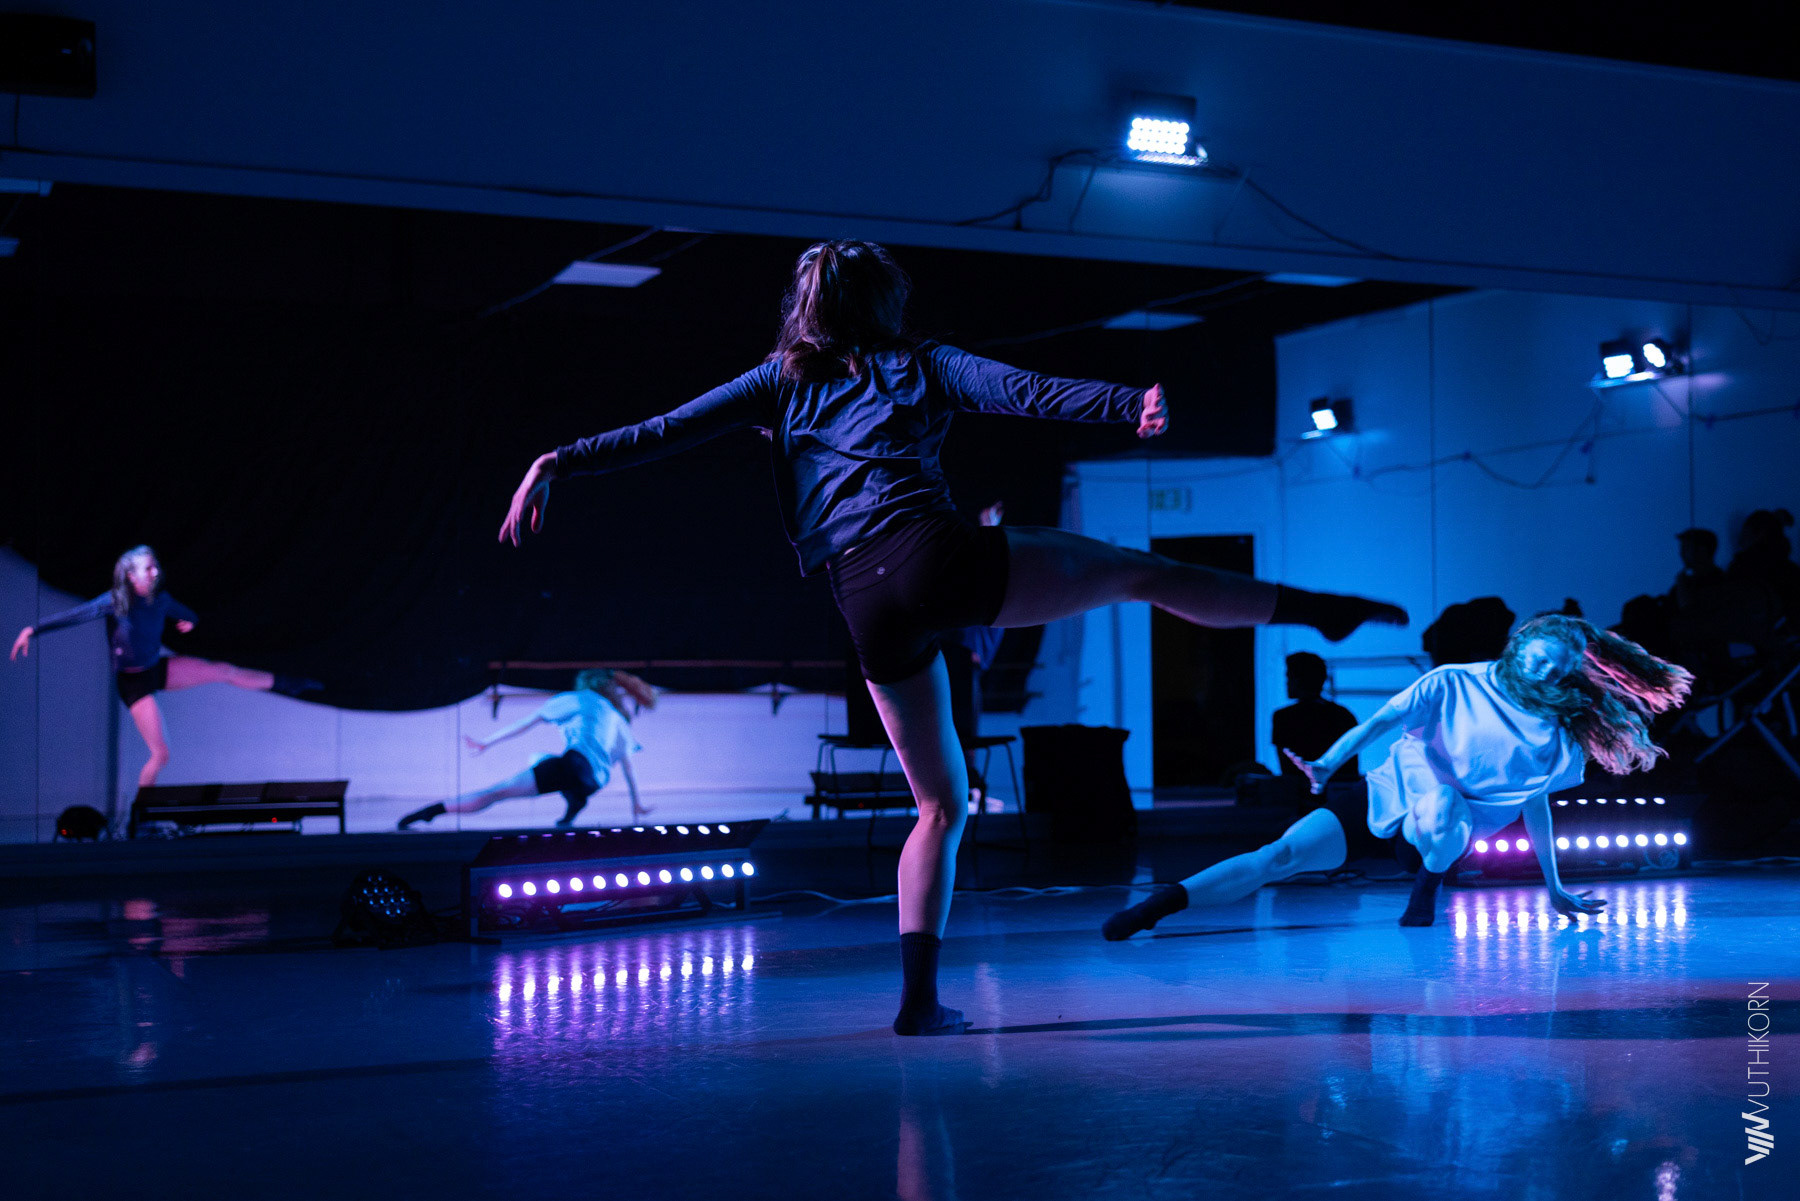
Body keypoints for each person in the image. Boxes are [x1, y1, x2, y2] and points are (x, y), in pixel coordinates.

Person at [497, 240, 1407, 1034]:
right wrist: (1124, 404)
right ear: (885, 302)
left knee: (938, 806)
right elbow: (1022, 391)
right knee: (1141, 572)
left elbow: (666, 429)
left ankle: (919, 1003)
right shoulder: (920, 360)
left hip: (861, 597)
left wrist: (557, 461)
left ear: (806, 310)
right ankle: (1311, 608)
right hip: (935, 556)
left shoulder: (780, 380)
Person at [1103, 614, 1692, 939]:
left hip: (1442, 832)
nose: (1542, 673)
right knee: (1278, 856)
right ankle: (1162, 903)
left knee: (1444, 802)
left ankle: (1426, 886)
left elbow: (1534, 804)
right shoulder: (1453, 681)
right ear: (1518, 646)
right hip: (1383, 799)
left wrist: (1553, 885)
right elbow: (1378, 724)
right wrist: (1327, 763)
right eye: (1537, 658)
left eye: (1556, 671)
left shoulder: (1556, 734)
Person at [9, 546, 320, 791]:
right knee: (161, 754)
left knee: (223, 670)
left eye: (155, 566)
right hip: (134, 684)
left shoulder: (161, 600)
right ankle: (142, 817)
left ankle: (286, 682)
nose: (155, 572)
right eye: (148, 568)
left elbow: (189, 614)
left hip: (156, 669)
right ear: (131, 575)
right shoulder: (115, 601)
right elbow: (77, 615)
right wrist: (31, 630)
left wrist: (190, 621)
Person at [398, 668, 654, 829]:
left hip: (573, 765)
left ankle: (431, 811)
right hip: (594, 782)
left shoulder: (578, 698)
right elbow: (628, 766)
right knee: (541, 760)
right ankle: (575, 801)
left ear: (584, 685)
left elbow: (526, 723)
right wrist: (637, 804)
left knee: (496, 792)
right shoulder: (619, 719)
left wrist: (487, 742)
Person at [1272, 651, 1358, 786]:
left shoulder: (1283, 717)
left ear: (1299, 680)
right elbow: (1350, 771)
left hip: (1299, 794)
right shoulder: (1344, 715)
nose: (1286, 683)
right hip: (1335, 793)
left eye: (1289, 677)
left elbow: (1287, 771)